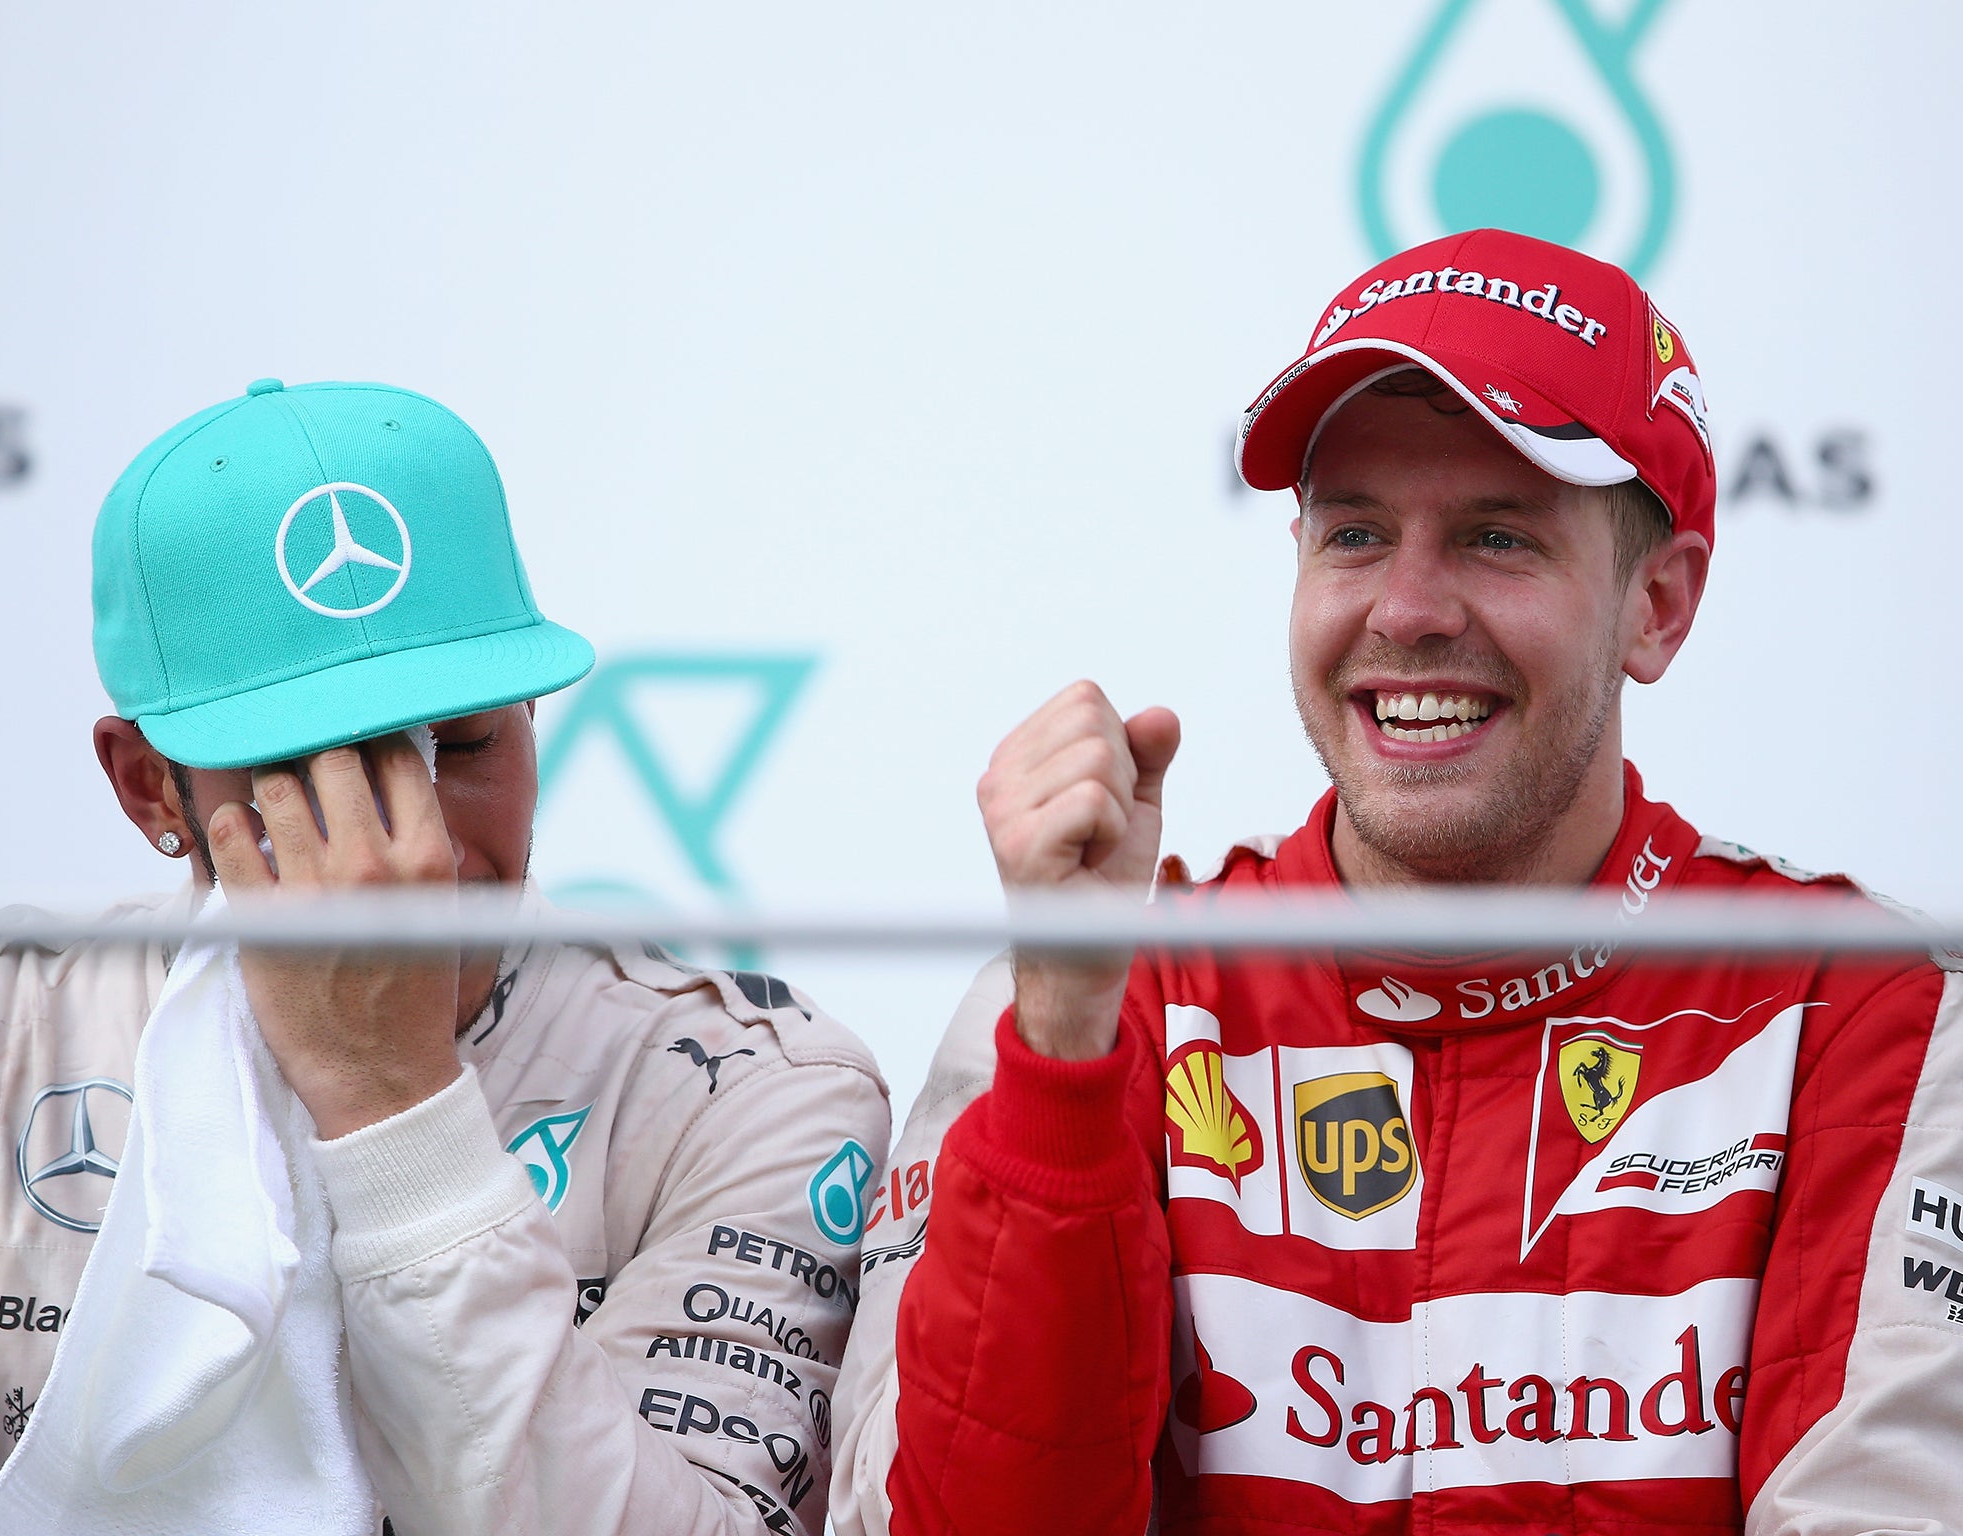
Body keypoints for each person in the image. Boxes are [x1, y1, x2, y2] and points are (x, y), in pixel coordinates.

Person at [831, 230, 1963, 1534]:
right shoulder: (1094, 998)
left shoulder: (1870, 1015)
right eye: (1356, 533)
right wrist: (1068, 1058)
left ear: (1657, 603)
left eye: (1496, 538)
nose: (1409, 609)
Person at [0, 378, 888, 1535]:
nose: (415, 848)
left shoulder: (752, 1089)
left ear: (534, 720)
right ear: (147, 786)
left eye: (466, 744)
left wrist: (396, 1109)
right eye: (319, 771)